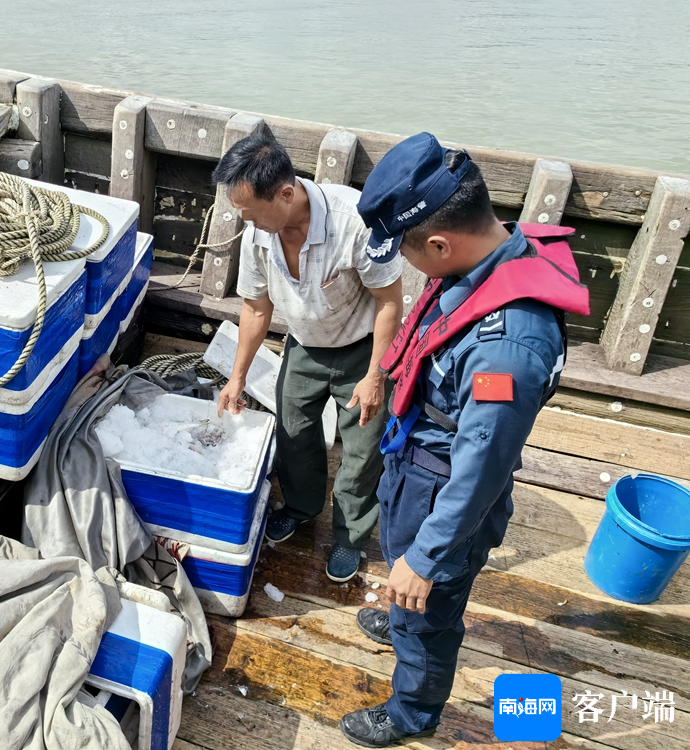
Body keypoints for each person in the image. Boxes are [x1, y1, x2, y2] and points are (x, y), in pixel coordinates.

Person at [339, 132, 589, 747]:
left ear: (441, 243)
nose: (409, 267)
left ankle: (411, 711)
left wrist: (425, 561)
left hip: (444, 486)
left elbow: (480, 468)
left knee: (430, 606)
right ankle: (402, 615)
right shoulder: (483, 258)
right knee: (406, 585)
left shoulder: (509, 345)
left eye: (409, 254)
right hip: (416, 459)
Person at [213, 134, 404, 583]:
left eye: (252, 213)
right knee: (295, 432)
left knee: (360, 451)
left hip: (363, 350)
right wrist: (237, 377)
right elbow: (256, 307)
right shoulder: (259, 234)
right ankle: (300, 506)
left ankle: (350, 538)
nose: (248, 222)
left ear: (285, 193)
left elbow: (390, 303)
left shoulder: (354, 220)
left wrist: (376, 375)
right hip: (303, 344)